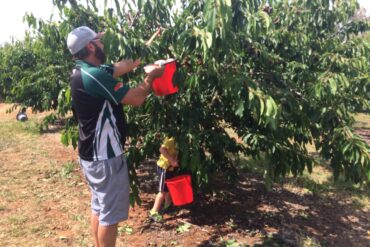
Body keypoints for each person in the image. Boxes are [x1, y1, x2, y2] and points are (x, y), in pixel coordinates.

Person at [66, 26, 164, 247]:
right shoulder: (95, 76)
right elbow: (137, 98)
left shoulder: (84, 71)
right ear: (90, 46)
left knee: (99, 208)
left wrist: (149, 44)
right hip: (105, 157)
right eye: (99, 41)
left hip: (91, 155)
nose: (103, 44)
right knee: (109, 216)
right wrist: (151, 78)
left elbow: (125, 65)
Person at [150, 136, 179, 219]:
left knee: (168, 187)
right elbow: (162, 149)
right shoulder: (171, 139)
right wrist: (172, 160)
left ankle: (168, 205)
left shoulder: (179, 139)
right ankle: (153, 212)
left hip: (170, 168)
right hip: (164, 168)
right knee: (162, 191)